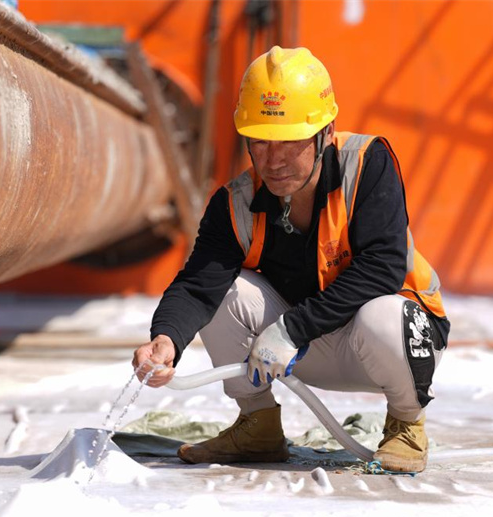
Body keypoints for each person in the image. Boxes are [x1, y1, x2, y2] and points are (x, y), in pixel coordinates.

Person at [133, 46, 450, 473]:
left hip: (392, 346)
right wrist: (166, 340)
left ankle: (406, 426)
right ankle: (257, 426)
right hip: (299, 350)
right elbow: (198, 285)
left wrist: (290, 329)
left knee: (383, 313)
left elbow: (383, 268)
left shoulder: (367, 164)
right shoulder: (235, 203)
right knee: (226, 292)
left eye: (290, 143)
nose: (273, 160)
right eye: (259, 142)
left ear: (325, 132)